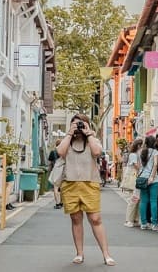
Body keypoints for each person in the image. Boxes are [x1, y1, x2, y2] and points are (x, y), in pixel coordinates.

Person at [56, 114, 115, 266]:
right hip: (70, 183)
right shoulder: (68, 141)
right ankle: (79, 253)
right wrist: (69, 133)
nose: (78, 127)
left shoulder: (92, 140)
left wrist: (89, 134)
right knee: (76, 219)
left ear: (88, 125)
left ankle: (106, 254)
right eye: (75, 124)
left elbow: (97, 153)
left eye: (81, 124)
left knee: (95, 219)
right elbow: (60, 152)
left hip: (90, 183)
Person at [138, 135, 158, 231]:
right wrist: (151, 176)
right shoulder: (155, 152)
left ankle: (143, 223)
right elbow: (155, 164)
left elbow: (139, 165)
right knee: (153, 201)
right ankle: (154, 224)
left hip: (143, 178)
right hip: (153, 179)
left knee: (143, 201)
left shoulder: (142, 152)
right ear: (154, 142)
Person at [123, 138, 144, 227]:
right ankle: (129, 220)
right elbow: (137, 166)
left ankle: (134, 219)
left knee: (136, 199)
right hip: (133, 179)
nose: (144, 147)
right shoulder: (133, 155)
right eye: (142, 146)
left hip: (136, 179)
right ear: (139, 146)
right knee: (133, 199)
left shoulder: (136, 154)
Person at [48, 139, 63, 209]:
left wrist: (49, 171)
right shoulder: (64, 152)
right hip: (64, 170)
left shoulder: (53, 152)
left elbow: (50, 164)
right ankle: (62, 202)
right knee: (63, 187)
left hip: (56, 170)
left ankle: (57, 203)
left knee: (56, 187)